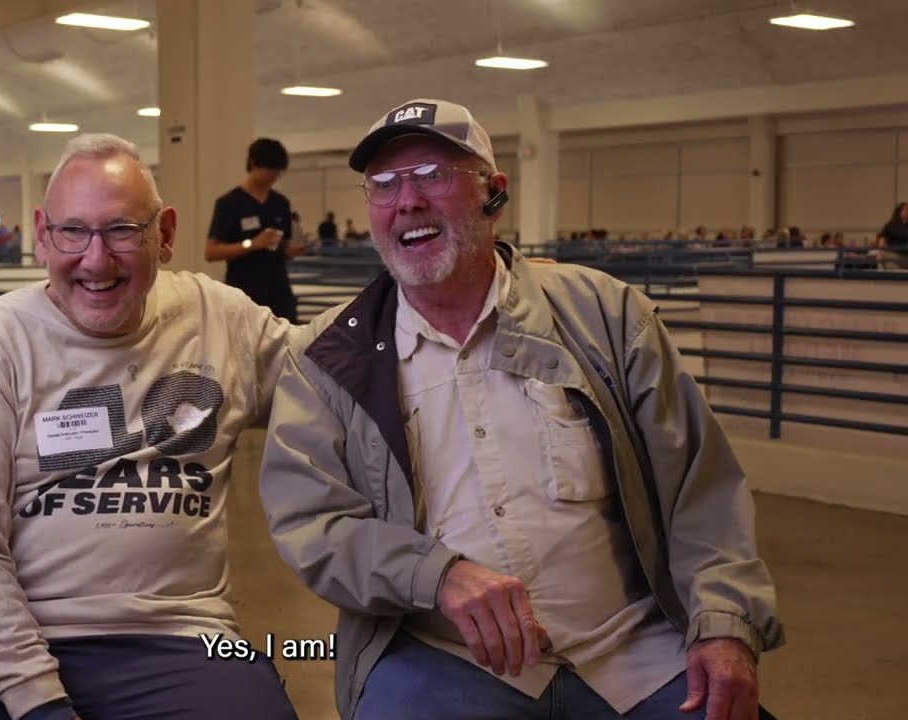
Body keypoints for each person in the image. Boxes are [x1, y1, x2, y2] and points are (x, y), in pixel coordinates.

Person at [258, 99, 785, 720]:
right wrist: (437, 575)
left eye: (434, 174)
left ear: (493, 192)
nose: (408, 200)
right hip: (440, 658)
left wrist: (723, 622)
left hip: (633, 650)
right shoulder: (328, 358)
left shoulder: (605, 317)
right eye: (384, 184)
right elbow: (315, 526)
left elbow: (700, 487)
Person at [0, 133, 298, 720]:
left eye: (122, 230)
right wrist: (37, 700)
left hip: (185, 636)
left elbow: (338, 366)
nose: (96, 259)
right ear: (41, 234)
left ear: (166, 234)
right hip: (18, 635)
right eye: (72, 231)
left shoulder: (219, 319)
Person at [206, 137, 302, 323]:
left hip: (279, 293)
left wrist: (290, 251)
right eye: (269, 169)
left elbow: (284, 246)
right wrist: (252, 244)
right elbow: (211, 252)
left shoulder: (281, 203)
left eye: (278, 171)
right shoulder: (229, 203)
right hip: (244, 294)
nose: (273, 176)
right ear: (253, 163)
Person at [877, 201, 908, 269]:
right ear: (900, 211)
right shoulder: (891, 225)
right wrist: (880, 252)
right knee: (887, 259)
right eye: (906, 209)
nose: (907, 211)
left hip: (906, 256)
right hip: (894, 254)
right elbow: (882, 239)